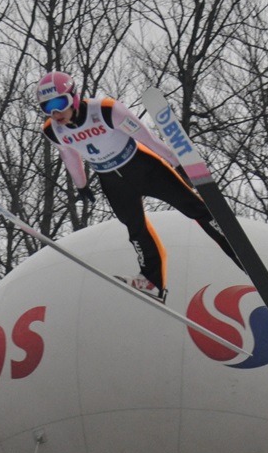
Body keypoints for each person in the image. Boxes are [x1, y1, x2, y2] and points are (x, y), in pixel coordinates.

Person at [36, 70, 242, 302]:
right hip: (111, 181)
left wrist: (178, 163)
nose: (55, 112)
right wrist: (81, 185)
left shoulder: (106, 110)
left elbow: (148, 139)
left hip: (142, 167)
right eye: (47, 107)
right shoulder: (53, 130)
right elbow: (70, 157)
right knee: (135, 229)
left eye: (59, 103)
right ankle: (152, 282)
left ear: (73, 97)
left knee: (192, 207)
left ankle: (235, 247)